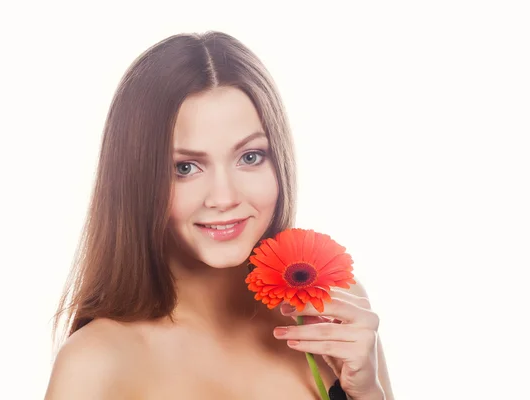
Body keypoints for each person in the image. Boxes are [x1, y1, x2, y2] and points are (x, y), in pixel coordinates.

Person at [44, 31, 394, 400]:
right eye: (185, 167)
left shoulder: (333, 312)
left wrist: (369, 393)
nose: (224, 197)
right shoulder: (94, 364)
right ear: (136, 179)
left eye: (250, 157)